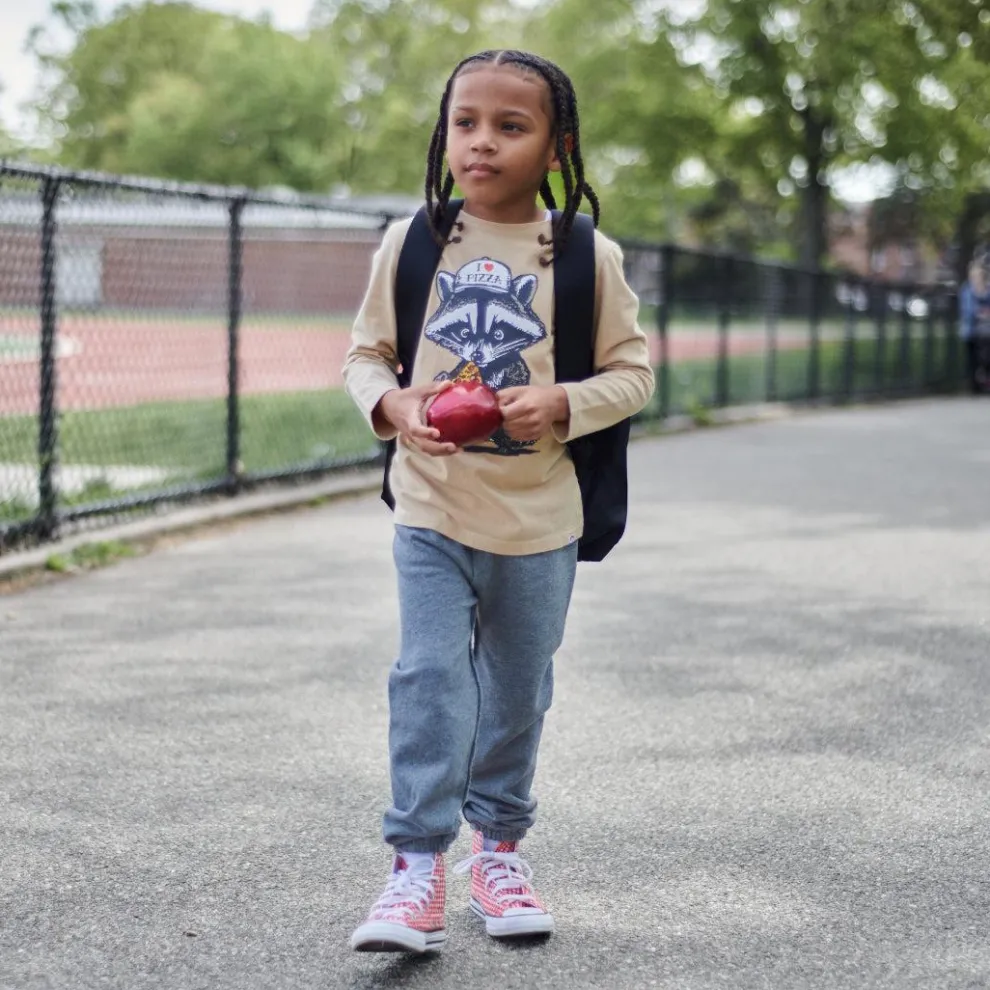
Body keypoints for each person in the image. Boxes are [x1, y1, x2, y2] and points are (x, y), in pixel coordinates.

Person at [341, 49, 655, 955]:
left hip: (540, 519)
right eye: (465, 122)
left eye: (510, 126)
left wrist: (564, 400)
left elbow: (633, 375)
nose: (481, 142)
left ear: (556, 149)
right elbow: (367, 355)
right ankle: (413, 871)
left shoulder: (585, 254)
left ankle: (501, 851)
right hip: (432, 507)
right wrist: (393, 403)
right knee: (430, 680)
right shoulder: (415, 240)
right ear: (445, 134)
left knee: (517, 692)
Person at [959, 253, 990, 393]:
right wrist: (980, 312)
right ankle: (974, 386)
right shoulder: (967, 290)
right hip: (972, 331)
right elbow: (968, 310)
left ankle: (983, 382)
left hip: (986, 331)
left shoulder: (987, 290)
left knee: (985, 358)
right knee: (973, 360)